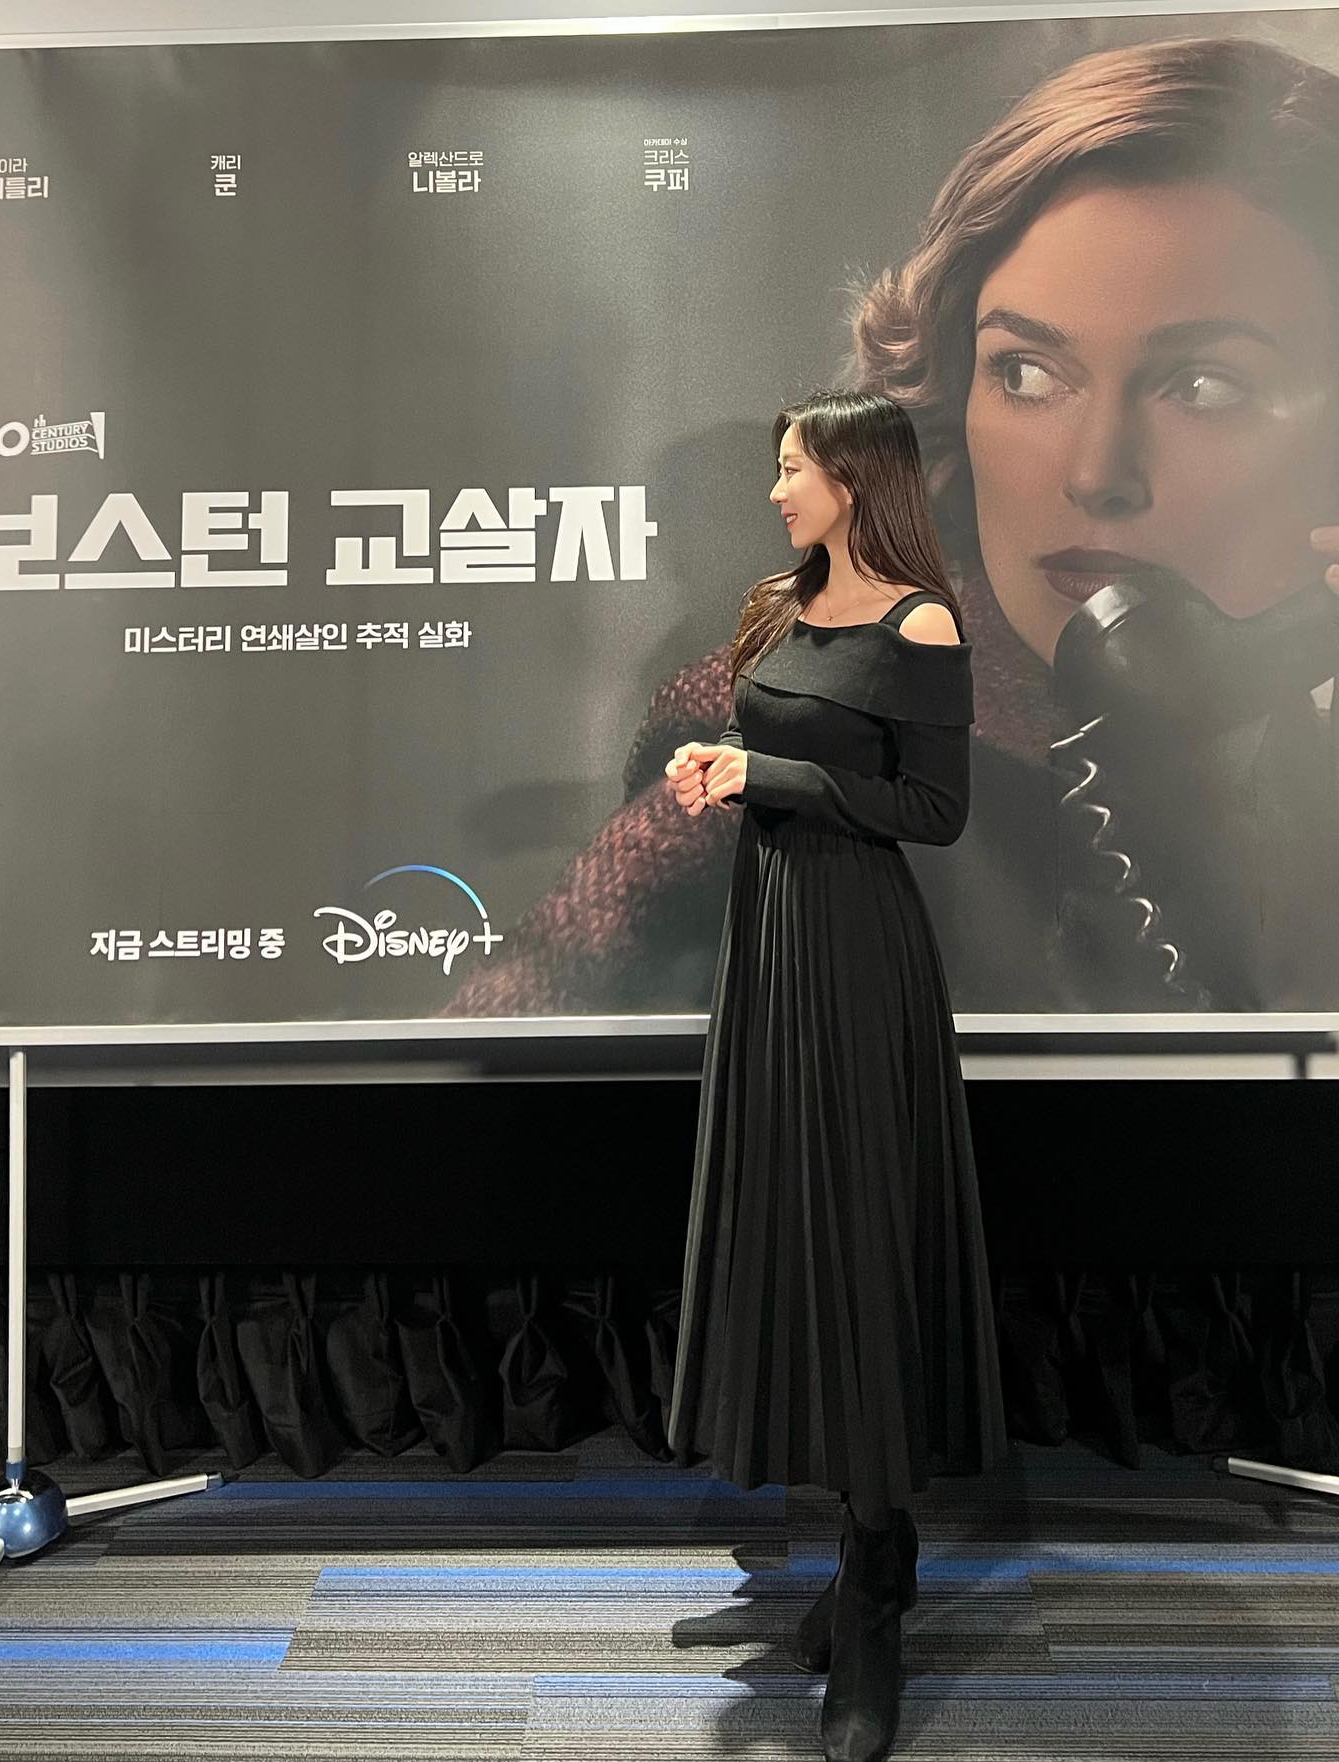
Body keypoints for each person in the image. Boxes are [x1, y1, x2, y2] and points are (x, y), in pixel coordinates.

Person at [439, 33, 1339, 1021]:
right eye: (1027, 373)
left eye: (1204, 386)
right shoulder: (806, 745)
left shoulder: (1289, 759)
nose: (1095, 475)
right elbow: (491, 1063)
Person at [662, 389, 1005, 1762]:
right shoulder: (780, 605)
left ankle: (870, 1598)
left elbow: (936, 813)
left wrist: (775, 775)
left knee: (860, 1242)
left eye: (793, 469)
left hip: (860, 960)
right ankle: (877, 1545)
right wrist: (725, 772)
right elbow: (782, 757)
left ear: (855, 479)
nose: (777, 491)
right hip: (772, 945)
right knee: (795, 1237)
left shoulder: (923, 627)